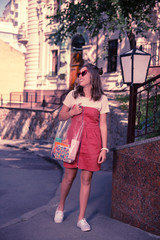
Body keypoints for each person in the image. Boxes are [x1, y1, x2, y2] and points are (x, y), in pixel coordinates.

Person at [54, 63, 110, 232]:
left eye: (83, 73)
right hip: (72, 140)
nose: (79, 75)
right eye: (78, 73)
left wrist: (104, 148)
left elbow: (103, 125)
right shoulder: (73, 95)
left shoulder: (102, 99)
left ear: (92, 75)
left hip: (93, 143)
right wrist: (72, 112)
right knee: (69, 177)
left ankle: (81, 218)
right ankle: (60, 207)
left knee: (86, 180)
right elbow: (61, 116)